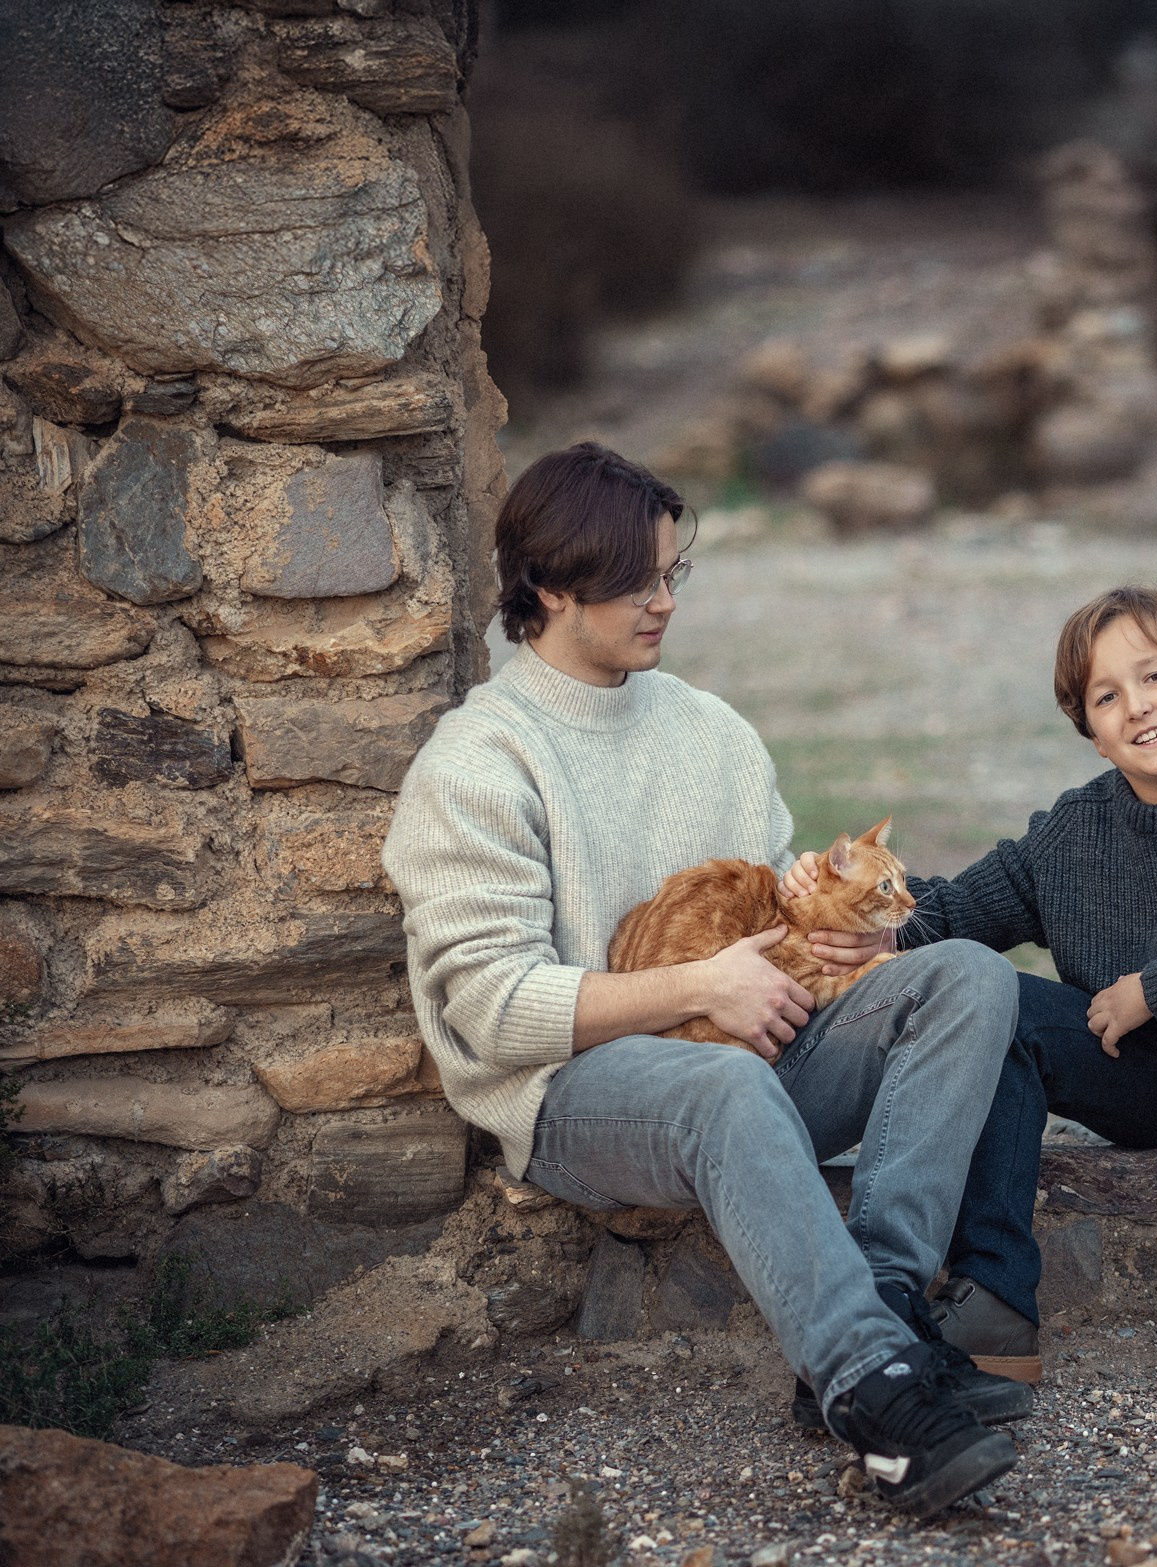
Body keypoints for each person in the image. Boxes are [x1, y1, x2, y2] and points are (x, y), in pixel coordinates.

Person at [383, 442, 1029, 1517]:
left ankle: (877, 1317)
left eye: (675, 574)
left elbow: (775, 916)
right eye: (640, 580)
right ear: (550, 585)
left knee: (961, 975)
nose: (664, 602)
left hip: (754, 1044)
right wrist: (699, 988)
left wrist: (831, 939)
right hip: (577, 1094)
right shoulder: (477, 760)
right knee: (719, 1087)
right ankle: (876, 1398)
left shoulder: (713, 731)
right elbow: (488, 1012)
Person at [784, 586, 1157, 1386]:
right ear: (1093, 734)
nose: (1137, 707)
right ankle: (995, 1293)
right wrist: (854, 910)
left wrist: (1152, 989)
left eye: (1156, 678)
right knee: (988, 998)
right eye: (1107, 697)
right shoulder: (1072, 834)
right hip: (1142, 1075)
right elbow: (957, 908)